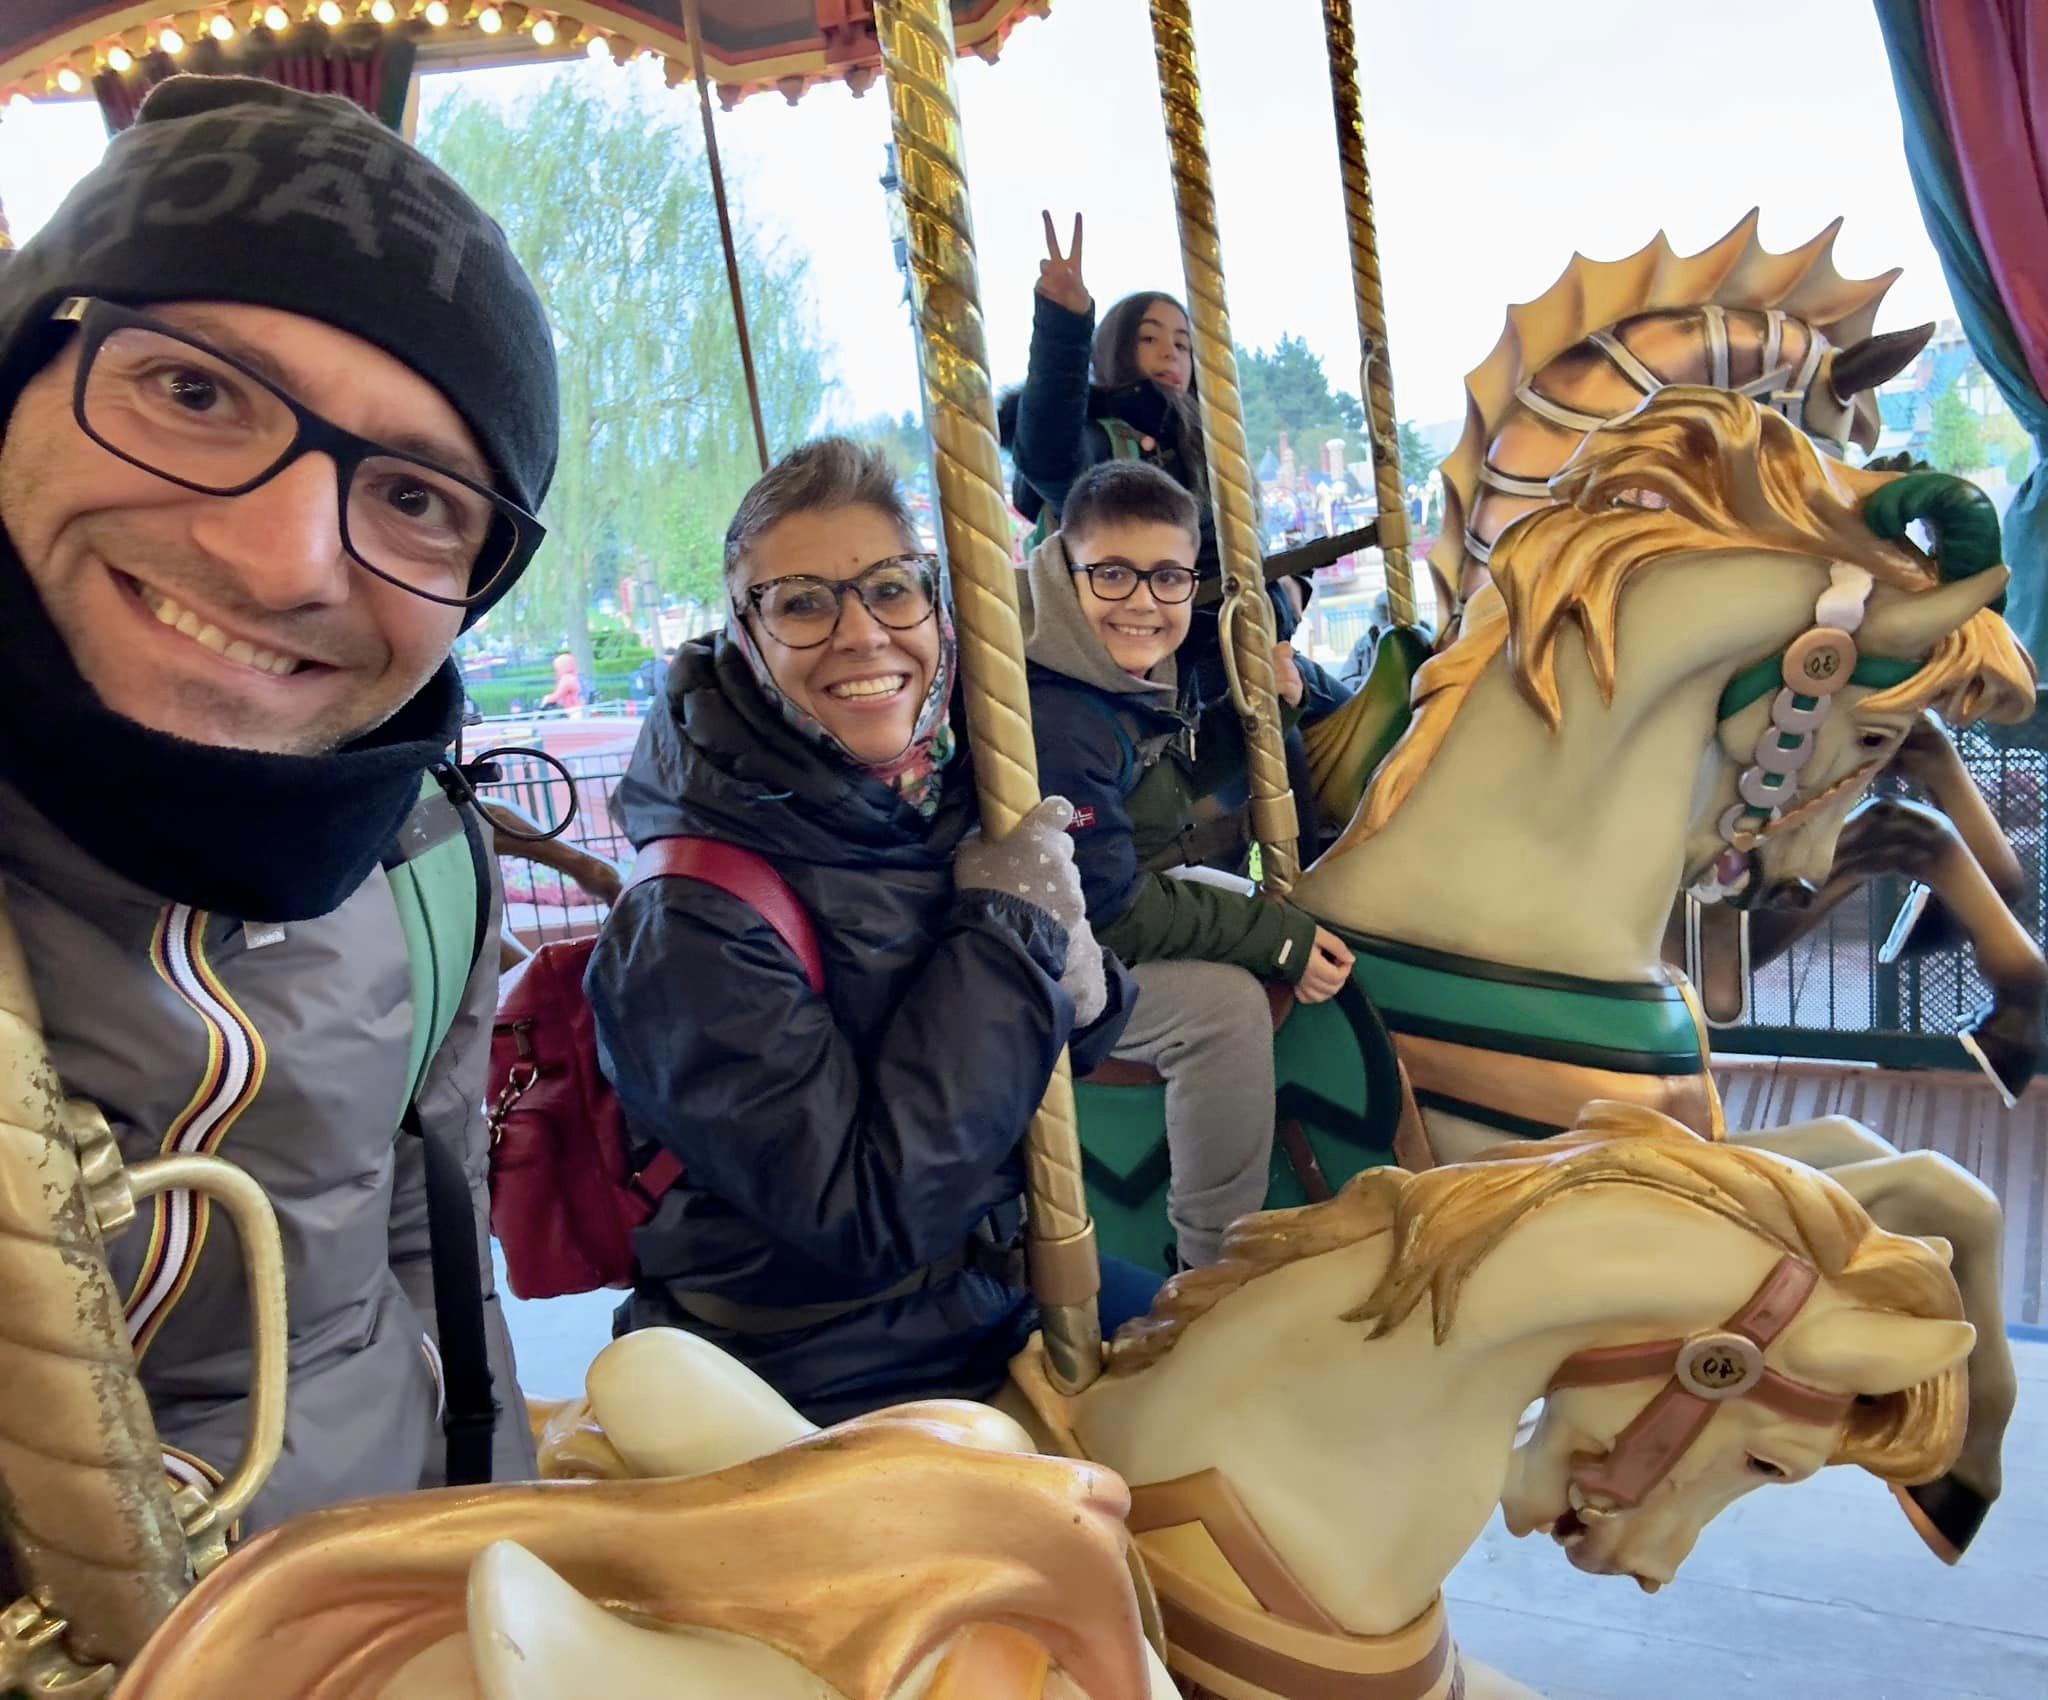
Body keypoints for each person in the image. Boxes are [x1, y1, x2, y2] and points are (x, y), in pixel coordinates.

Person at [0, 75, 556, 1533]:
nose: (283, 559)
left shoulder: (427, 862)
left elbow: (434, 1236)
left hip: (370, 1569)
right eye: (194, 392)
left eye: (417, 497)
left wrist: (498, 1552)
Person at [587, 438, 1145, 1424]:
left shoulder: (943, 793)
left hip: (985, 1287)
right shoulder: (687, 916)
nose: (861, 633)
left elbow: (1038, 1054)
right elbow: (862, 1214)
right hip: (822, 1358)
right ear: (746, 633)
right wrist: (1007, 935)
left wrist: (1085, 984)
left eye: (891, 589)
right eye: (802, 603)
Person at [1022, 461, 1354, 1267]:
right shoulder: (1059, 712)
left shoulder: (1117, 673)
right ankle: (1215, 1260)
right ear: (1064, 569)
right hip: (1038, 955)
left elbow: (1168, 807)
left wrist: (1266, 717)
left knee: (1261, 907)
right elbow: (1110, 906)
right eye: (1111, 574)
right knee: (1222, 1008)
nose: (1142, 600)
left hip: (1089, 915)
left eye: (1167, 577)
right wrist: (1274, 937)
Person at [1003, 211, 1350, 866]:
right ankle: (1306, 867)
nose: (1171, 354)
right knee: (1270, 741)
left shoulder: (1203, 449)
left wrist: (1288, 590)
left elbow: (1238, 557)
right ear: (1114, 349)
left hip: (1220, 631)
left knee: (1351, 701)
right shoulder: (1099, 438)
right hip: (1160, 652)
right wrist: (1064, 325)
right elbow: (1045, 450)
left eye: (1183, 344)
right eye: (1150, 338)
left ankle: (1349, 835)